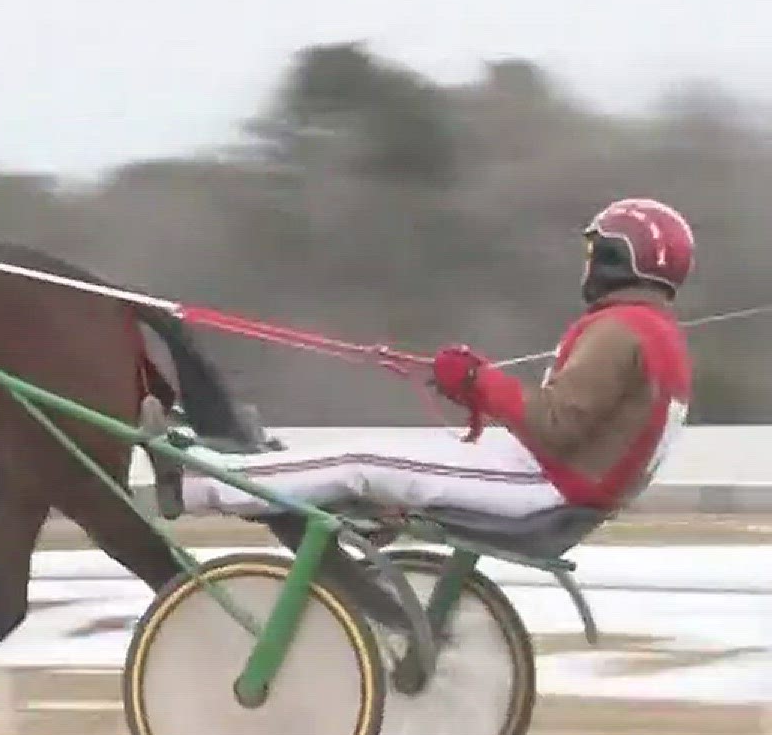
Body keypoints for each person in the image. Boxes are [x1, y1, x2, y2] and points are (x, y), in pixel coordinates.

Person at [145, 197, 696, 525]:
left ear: (618, 259)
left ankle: (199, 485)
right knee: (374, 455)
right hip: (557, 479)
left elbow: (558, 425)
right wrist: (477, 385)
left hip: (546, 485)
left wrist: (480, 382)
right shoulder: (653, 332)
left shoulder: (623, 329)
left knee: (361, 460)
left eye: (593, 252)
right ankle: (234, 467)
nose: (586, 264)